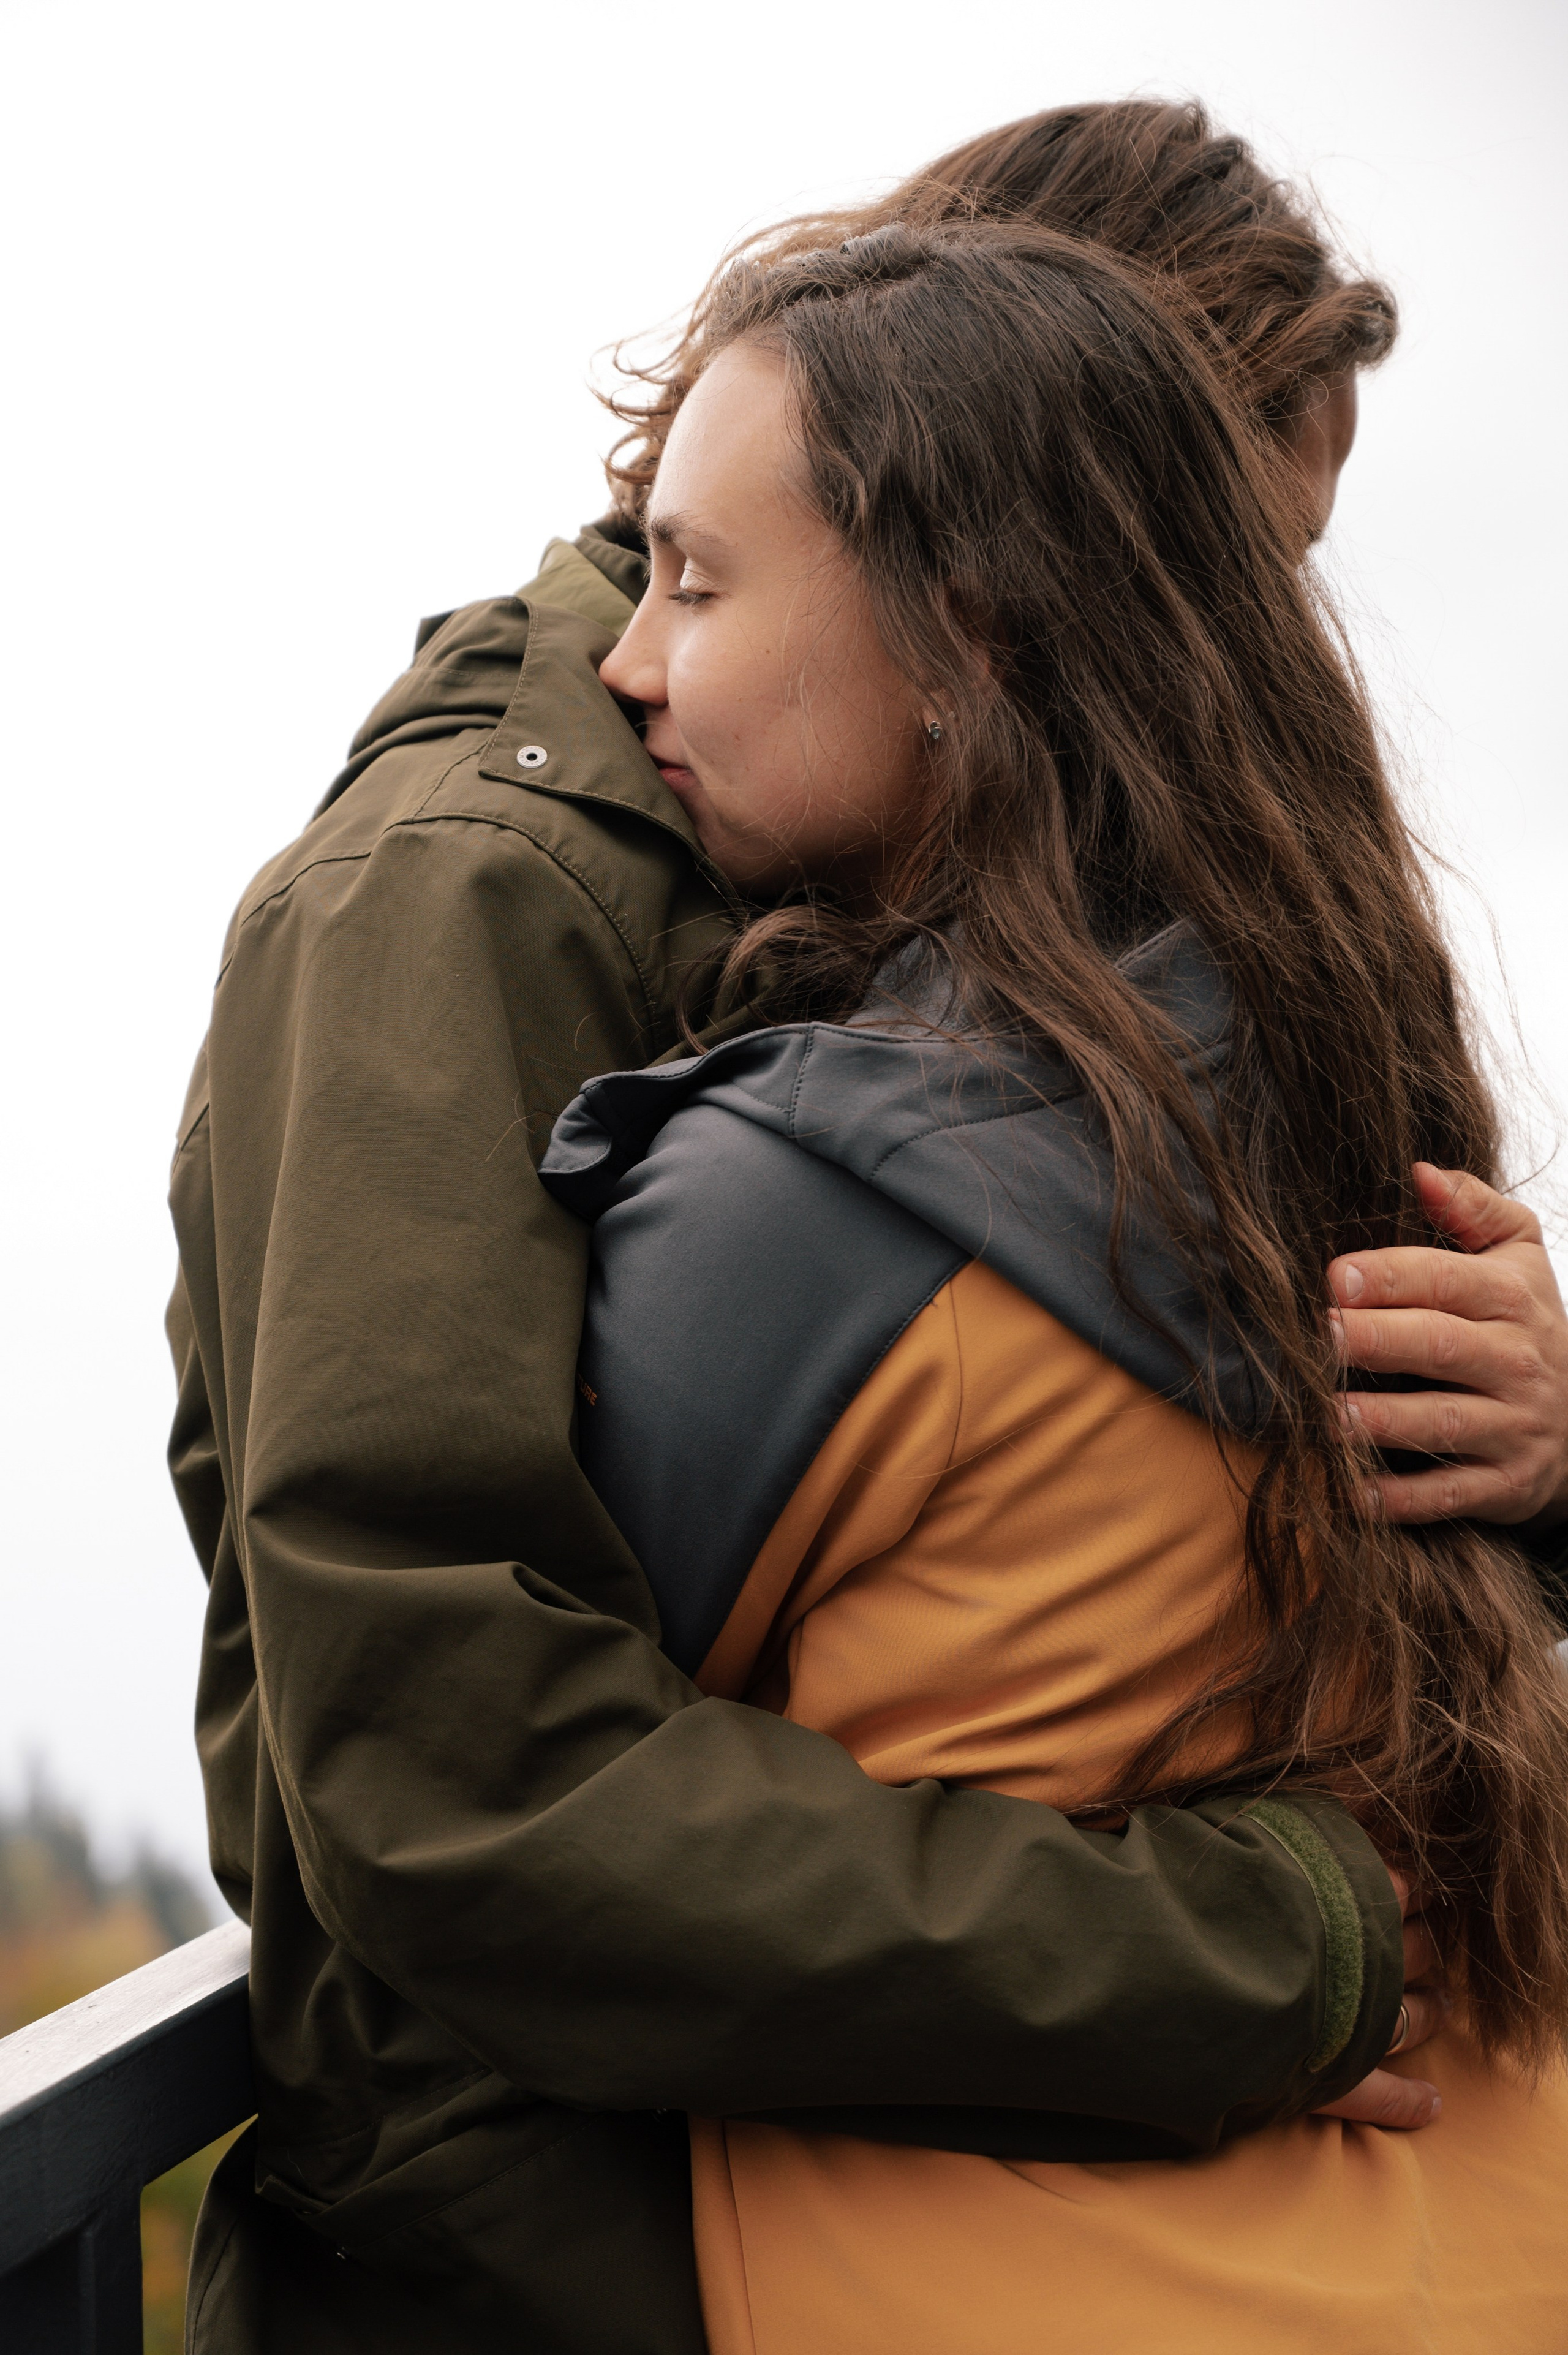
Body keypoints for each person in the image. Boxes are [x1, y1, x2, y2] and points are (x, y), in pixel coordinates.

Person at [167, 105, 1568, 2354]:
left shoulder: (959, 883)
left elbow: (1093, 1591)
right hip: (568, 2263)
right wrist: (1244, 1957)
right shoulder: (469, 896)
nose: (1226, 628)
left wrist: (1508, 1430)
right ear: (987, 497)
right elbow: (454, 1766)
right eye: (1192, 528)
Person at [554, 214, 1568, 2354]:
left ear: (969, 634)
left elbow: (496, 1796)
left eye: (700, 584)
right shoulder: (1343, 1089)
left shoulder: (791, 1212)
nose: (628, 663)